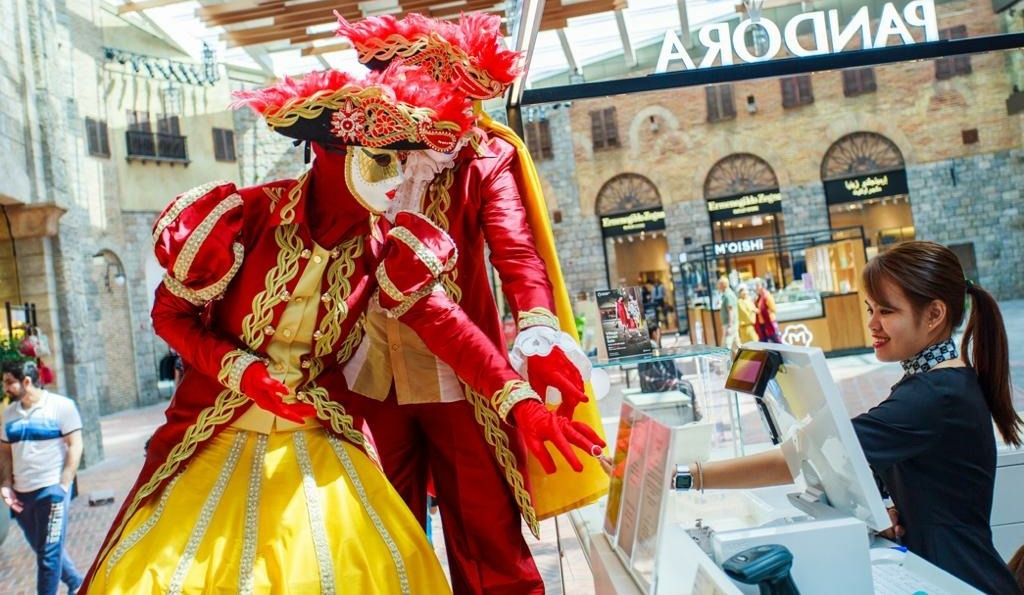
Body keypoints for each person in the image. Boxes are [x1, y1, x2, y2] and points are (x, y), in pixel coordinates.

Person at [80, 66, 603, 593]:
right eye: (383, 159)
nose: (398, 177)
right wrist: (240, 371)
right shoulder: (246, 217)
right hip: (215, 429)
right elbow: (169, 315)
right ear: (330, 153)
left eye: (402, 159)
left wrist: (521, 403)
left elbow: (446, 321)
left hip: (318, 430)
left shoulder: (385, 247)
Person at [335, 12, 606, 593]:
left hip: (459, 375)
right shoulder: (358, 152)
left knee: (487, 542)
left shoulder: (483, 156)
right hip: (370, 376)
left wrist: (538, 333)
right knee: (384, 542)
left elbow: (518, 254)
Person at [676, 241, 1023, 595]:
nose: (872, 323)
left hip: (960, 581)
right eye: (870, 309)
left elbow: (802, 456)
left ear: (934, 315)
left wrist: (686, 476)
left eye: (886, 311)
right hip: (941, 571)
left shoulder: (934, 395)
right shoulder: (938, 383)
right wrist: (887, 510)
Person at [1, 358, 84, 595]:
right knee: (42, 546)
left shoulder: (62, 406)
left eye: (9, 382)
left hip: (52, 491)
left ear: (26, 381)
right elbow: (5, 452)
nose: (5, 388)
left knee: (48, 555)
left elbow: (75, 445)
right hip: (22, 496)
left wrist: (63, 485)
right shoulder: (8, 415)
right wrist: (6, 484)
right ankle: (77, 583)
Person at [753, 277, 781, 343]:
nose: (756, 288)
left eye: (757, 285)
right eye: (756, 286)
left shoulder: (767, 296)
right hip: (762, 324)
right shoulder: (759, 297)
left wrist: (759, 311)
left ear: (762, 286)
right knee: (765, 343)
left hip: (770, 323)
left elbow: (773, 309)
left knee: (776, 341)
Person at [717, 276, 739, 355]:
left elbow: (731, 311)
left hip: (729, 324)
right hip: (731, 324)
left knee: (725, 347)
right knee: (736, 346)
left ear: (723, 285)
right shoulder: (726, 294)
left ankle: (726, 364)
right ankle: (744, 360)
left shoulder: (728, 295)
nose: (718, 286)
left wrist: (730, 326)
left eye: (719, 284)